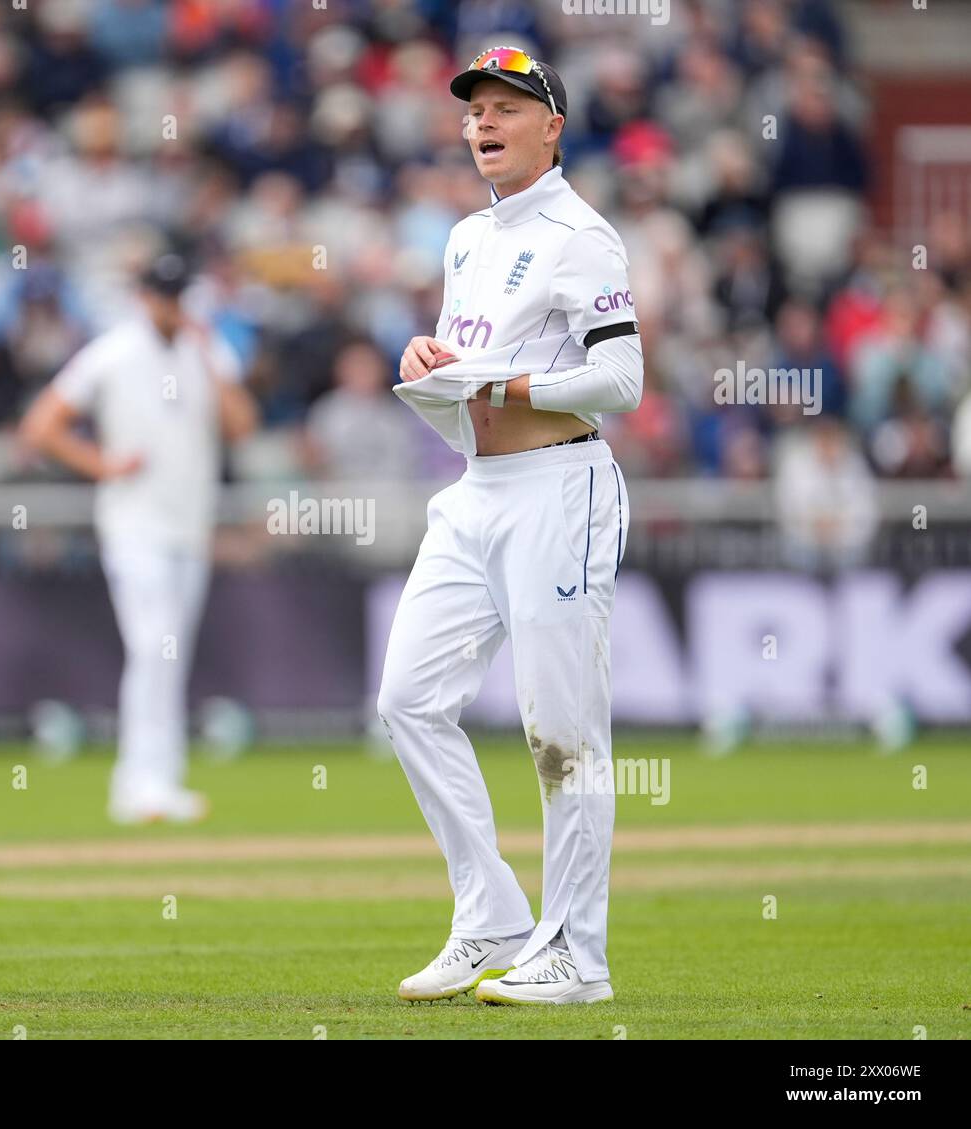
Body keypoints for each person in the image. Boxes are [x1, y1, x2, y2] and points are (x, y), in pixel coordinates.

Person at [377, 46, 643, 1005]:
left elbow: (622, 381)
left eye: (505, 107)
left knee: (561, 733)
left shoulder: (583, 235)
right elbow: (468, 380)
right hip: (475, 486)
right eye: (473, 109)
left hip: (558, 490)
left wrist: (504, 381)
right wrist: (432, 368)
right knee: (407, 698)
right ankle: (490, 910)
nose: (482, 123)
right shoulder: (465, 239)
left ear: (552, 126)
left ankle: (577, 955)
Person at [19, 252, 259, 824]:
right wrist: (100, 464)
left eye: (178, 295)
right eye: (162, 295)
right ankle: (136, 783)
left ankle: (161, 780)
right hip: (135, 525)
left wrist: (206, 354)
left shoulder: (207, 350)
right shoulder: (113, 352)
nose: (171, 305)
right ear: (143, 296)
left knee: (169, 652)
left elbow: (241, 426)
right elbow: (41, 424)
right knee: (153, 645)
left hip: (189, 525)